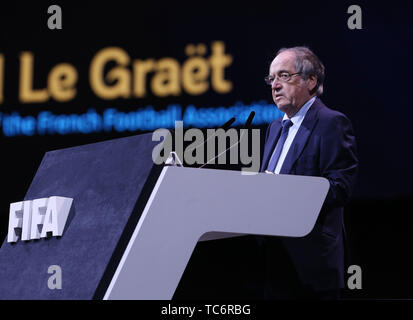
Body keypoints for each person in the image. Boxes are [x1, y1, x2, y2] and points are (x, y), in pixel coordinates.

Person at [259, 46, 358, 299]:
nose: (275, 85)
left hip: (313, 264)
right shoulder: (274, 128)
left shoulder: (331, 122)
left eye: (284, 76)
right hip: (275, 260)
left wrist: (282, 187)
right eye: (271, 78)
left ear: (311, 80)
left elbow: (340, 187)